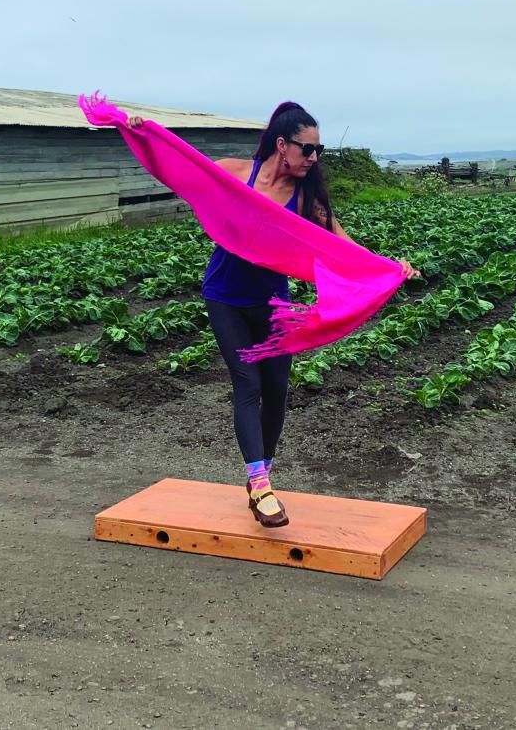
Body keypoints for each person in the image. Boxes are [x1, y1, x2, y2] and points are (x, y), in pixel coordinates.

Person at [128, 102, 419, 527]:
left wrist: (388, 267)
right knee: (247, 384)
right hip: (224, 296)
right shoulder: (233, 171)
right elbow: (180, 169)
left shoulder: (307, 197)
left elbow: (343, 245)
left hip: (272, 305)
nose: (314, 158)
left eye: (318, 150)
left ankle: (260, 474)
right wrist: (143, 134)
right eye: (308, 149)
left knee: (277, 390)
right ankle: (260, 484)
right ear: (282, 145)